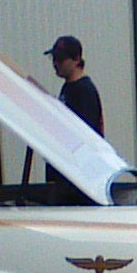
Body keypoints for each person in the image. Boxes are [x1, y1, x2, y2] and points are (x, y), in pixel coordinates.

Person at [44, 35, 104, 203]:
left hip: (78, 178)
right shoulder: (68, 87)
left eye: (61, 59)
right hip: (65, 173)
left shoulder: (84, 91)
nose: (56, 63)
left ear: (76, 59)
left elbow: (85, 136)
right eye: (54, 58)